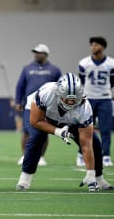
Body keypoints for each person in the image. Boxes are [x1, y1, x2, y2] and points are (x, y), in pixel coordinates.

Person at [16, 73, 113, 192]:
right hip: (43, 115)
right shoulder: (47, 93)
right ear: (59, 93)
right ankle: (25, 179)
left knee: (95, 142)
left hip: (68, 119)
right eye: (67, 98)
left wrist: (90, 173)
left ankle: (98, 178)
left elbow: (86, 144)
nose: (70, 103)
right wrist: (58, 131)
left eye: (74, 99)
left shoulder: (85, 107)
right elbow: (36, 121)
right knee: (37, 137)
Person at [14, 44, 62, 166]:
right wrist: (18, 101)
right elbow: (20, 86)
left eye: (39, 52)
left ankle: (40, 157)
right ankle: (25, 155)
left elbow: (60, 87)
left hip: (48, 106)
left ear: (45, 54)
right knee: (26, 131)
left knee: (44, 132)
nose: (36, 54)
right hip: (29, 105)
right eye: (35, 52)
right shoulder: (27, 68)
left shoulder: (54, 70)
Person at [78, 36, 114, 167]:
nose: (93, 47)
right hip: (88, 99)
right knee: (84, 128)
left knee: (105, 129)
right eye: (92, 44)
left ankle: (106, 156)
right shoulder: (84, 63)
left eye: (96, 45)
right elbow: (81, 81)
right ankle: (81, 154)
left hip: (105, 99)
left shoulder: (111, 63)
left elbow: (112, 82)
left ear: (103, 47)